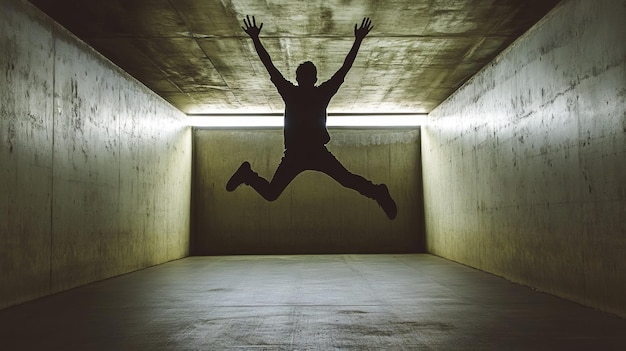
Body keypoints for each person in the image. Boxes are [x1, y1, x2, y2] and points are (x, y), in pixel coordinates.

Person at [226, 15, 397, 220]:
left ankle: (248, 175)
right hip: (306, 154)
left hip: (304, 154)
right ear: (313, 78)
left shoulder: (292, 92)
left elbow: (269, 66)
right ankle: (377, 192)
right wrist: (358, 40)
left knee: (273, 193)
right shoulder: (319, 93)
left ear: (299, 78)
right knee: (347, 180)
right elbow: (344, 69)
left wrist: (255, 38)